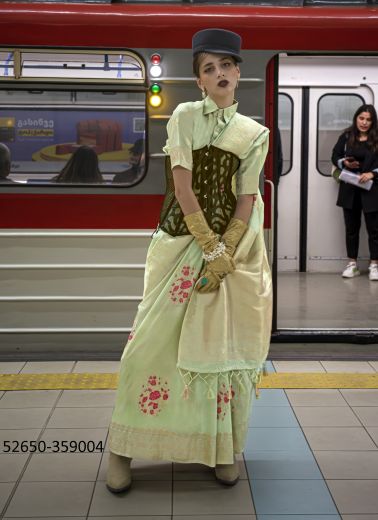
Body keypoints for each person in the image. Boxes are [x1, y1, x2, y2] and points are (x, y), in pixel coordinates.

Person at [107, 28, 272, 492]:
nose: (218, 73)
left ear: (239, 72)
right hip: (181, 245)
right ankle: (121, 449)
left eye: (225, 65)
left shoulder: (253, 133)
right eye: (208, 68)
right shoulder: (182, 116)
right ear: (199, 80)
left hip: (230, 256)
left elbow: (247, 195)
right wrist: (210, 248)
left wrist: (228, 251)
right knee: (148, 350)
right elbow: (182, 188)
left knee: (217, 354)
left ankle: (220, 451)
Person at [332, 104, 378, 281]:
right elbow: (334, 156)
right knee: (351, 229)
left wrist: (372, 173)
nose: (364, 122)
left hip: (372, 190)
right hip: (350, 190)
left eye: (368, 119)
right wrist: (345, 163)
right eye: (361, 118)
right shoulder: (346, 136)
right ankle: (352, 264)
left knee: (374, 230)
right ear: (356, 118)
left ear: (372, 122)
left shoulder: (376, 138)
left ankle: (374, 265)